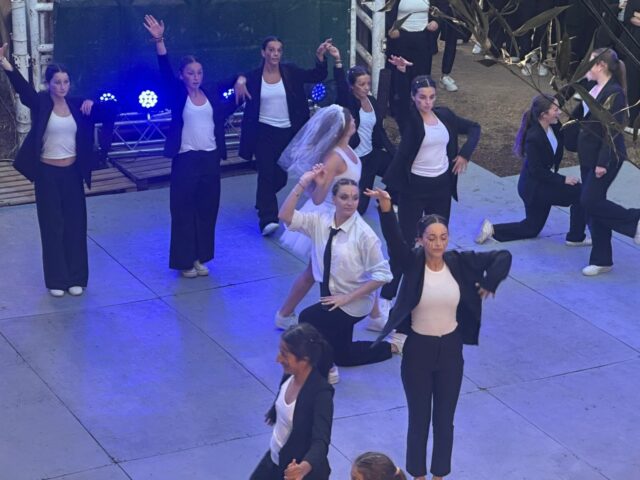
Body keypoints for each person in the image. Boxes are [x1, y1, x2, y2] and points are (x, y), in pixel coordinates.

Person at [367, 188, 512, 480]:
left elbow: (503, 256)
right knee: (419, 420)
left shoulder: (458, 262)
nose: (437, 243)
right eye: (431, 238)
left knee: (445, 421)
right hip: (418, 351)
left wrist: (490, 283)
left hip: (450, 350)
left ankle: (439, 475)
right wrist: (386, 209)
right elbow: (394, 241)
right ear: (420, 239)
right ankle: (418, 476)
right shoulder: (412, 263)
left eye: (443, 237)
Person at [0, 44, 113, 297]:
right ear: (48, 84)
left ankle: (76, 277)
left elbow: (111, 112)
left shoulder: (77, 105)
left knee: (75, 225)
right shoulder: (41, 103)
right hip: (47, 174)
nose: (62, 87)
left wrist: (93, 101)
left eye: (65, 82)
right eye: (57, 82)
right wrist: (6, 64)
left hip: (72, 174)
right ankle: (56, 280)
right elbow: (23, 91)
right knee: (52, 227)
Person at [279, 170, 399, 384]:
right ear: (333, 199)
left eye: (355, 198)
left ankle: (327, 368)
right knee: (344, 354)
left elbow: (383, 274)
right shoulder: (320, 221)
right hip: (331, 296)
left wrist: (347, 298)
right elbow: (285, 217)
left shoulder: (364, 235)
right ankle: (390, 347)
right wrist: (302, 183)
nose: (350, 203)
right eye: (344, 197)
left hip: (354, 301)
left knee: (308, 318)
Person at [378, 74, 480, 326]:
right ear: (414, 98)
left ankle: (431, 292)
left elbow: (475, 128)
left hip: (441, 187)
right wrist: (401, 74)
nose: (427, 102)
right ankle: (386, 297)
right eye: (422, 97)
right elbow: (398, 104)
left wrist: (465, 154)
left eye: (431, 97)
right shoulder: (411, 119)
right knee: (404, 243)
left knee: (437, 240)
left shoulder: (445, 116)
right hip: (414, 188)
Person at [143, 15, 236, 278]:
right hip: (186, 159)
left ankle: (199, 257)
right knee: (183, 209)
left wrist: (241, 83)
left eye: (199, 73)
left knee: (206, 208)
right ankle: (184, 260)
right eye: (191, 73)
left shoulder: (209, 94)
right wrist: (159, 40)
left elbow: (227, 104)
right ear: (182, 75)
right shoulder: (178, 94)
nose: (195, 77)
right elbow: (164, 68)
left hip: (210, 159)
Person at [233, 35, 331, 236]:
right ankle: (267, 219)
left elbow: (317, 75)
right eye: (271, 50)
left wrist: (320, 57)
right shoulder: (254, 77)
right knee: (266, 174)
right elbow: (237, 78)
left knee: (280, 177)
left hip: (287, 132)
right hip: (263, 133)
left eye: (278, 50)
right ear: (263, 53)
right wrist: (240, 79)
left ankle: (263, 200)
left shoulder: (290, 72)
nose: (275, 54)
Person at [275, 105, 362, 329]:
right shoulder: (334, 157)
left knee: (335, 267)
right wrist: (321, 182)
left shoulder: (348, 150)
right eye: (351, 119)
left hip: (346, 214)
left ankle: (369, 311)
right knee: (315, 271)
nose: (354, 121)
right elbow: (317, 198)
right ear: (342, 127)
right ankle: (285, 313)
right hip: (328, 217)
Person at [474, 94, 589, 245]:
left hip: (541, 182)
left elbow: (569, 133)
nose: (559, 112)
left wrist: (584, 107)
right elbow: (537, 171)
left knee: (531, 228)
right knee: (580, 193)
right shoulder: (534, 138)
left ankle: (491, 229)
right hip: (535, 188)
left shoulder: (554, 126)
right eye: (555, 110)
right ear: (544, 115)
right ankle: (576, 237)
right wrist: (564, 180)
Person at [572, 47, 640, 275]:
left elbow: (612, 131)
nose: (585, 67)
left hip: (607, 157)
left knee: (589, 201)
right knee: (594, 204)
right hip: (588, 155)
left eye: (589, 63)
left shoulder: (615, 93)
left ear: (601, 66)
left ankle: (635, 220)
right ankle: (602, 259)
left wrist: (603, 162)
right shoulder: (593, 88)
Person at [250, 323, 334, 480]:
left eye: (284, 354)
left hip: (295, 470)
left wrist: (303, 468)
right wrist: (274, 411)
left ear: (304, 359)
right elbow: (282, 397)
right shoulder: (289, 375)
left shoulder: (321, 394)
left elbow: (321, 441)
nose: (278, 359)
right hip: (274, 458)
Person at [334, 60, 397, 215]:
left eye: (368, 83)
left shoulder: (372, 101)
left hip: (372, 153)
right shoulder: (348, 102)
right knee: (359, 208)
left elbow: (378, 129)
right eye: (362, 84)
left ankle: (385, 199)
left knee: (400, 168)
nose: (366, 87)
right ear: (352, 86)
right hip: (357, 158)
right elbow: (341, 87)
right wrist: (338, 63)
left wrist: (392, 151)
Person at [386, 0, 446, 131]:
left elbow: (442, 7)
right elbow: (385, 12)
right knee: (399, 76)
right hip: (400, 38)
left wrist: (436, 21)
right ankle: (398, 110)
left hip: (423, 38)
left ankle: (421, 108)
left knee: (422, 75)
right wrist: (390, 28)